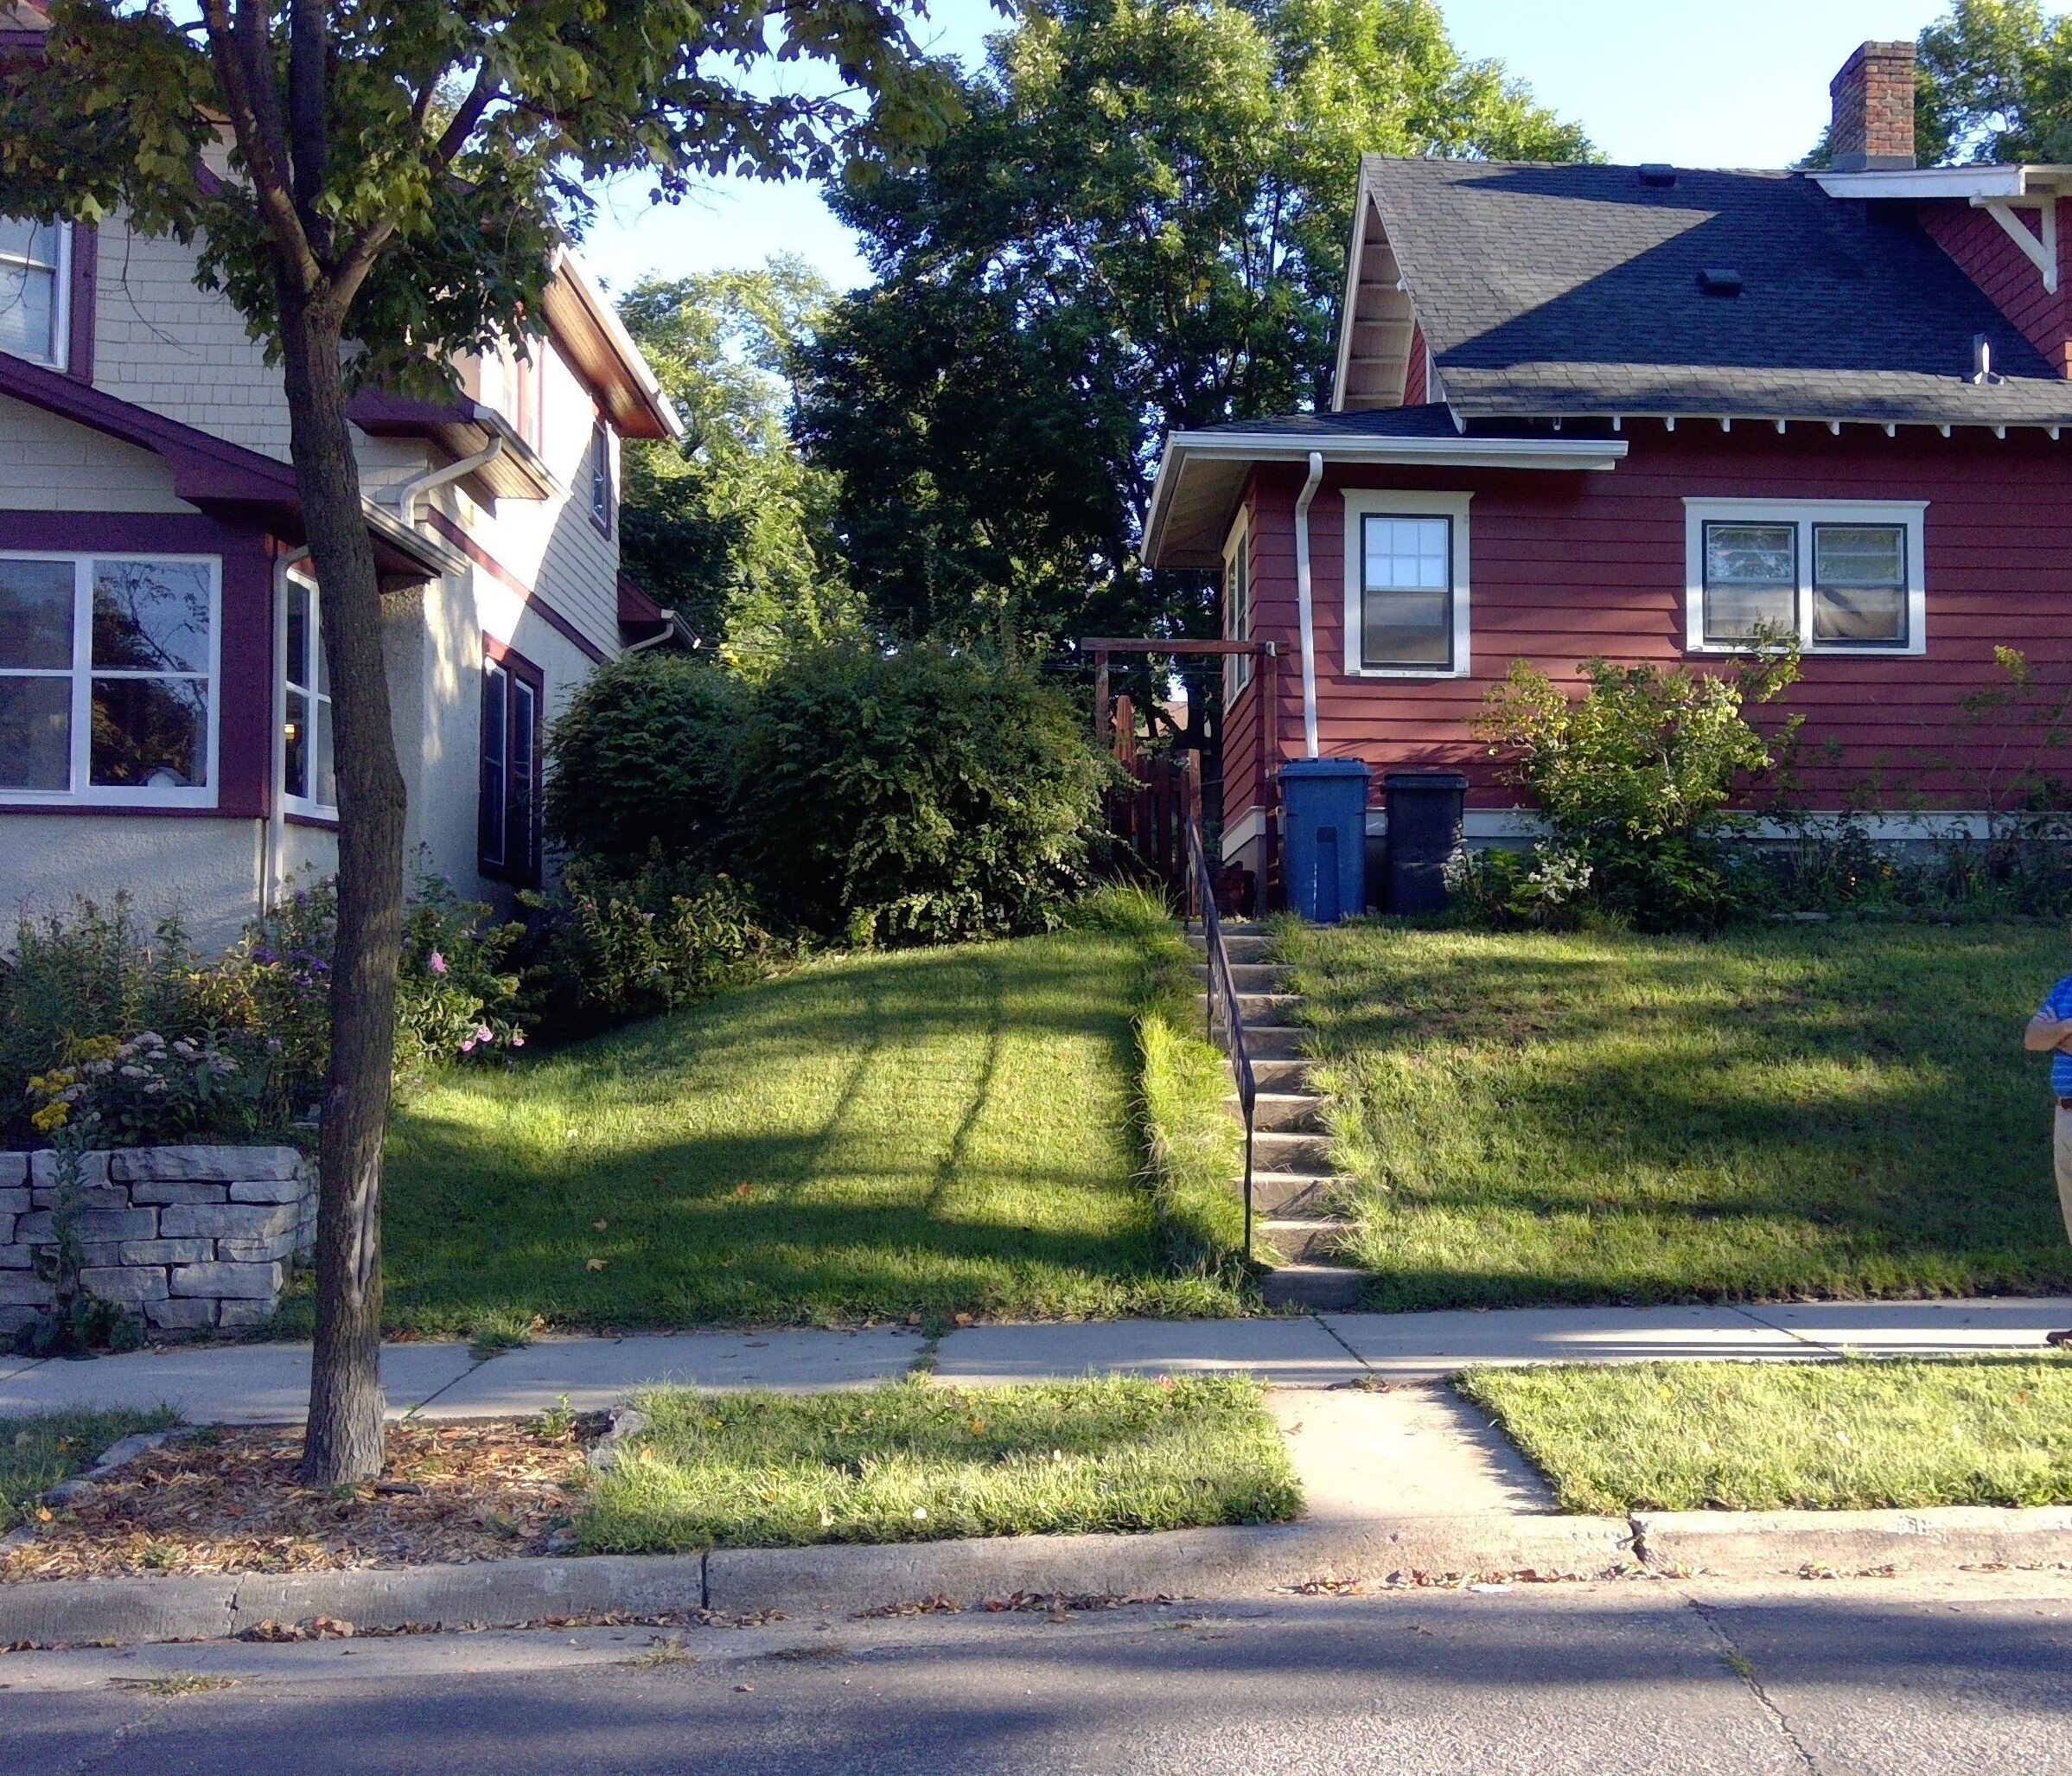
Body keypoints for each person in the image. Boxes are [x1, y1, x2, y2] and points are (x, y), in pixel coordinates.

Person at [2024, 963, 2072, 1347]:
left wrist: (2058, 1033)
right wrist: (2062, 1032)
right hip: (2065, 1113)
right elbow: (2032, 1038)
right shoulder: (2064, 988)